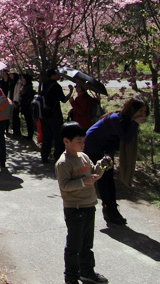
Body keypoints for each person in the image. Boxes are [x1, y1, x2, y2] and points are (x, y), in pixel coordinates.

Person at [55, 122, 111, 284]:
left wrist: (102, 166)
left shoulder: (84, 157)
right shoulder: (63, 163)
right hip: (75, 209)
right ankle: (71, 277)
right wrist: (83, 181)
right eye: (79, 141)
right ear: (66, 141)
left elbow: (94, 174)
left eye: (83, 141)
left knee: (87, 244)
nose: (83, 144)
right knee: (74, 246)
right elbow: (65, 186)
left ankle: (87, 272)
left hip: (89, 206)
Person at [84, 96, 148, 225]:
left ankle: (112, 210)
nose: (143, 114)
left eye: (145, 112)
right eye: (140, 111)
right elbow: (125, 138)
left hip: (106, 149)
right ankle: (109, 211)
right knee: (103, 179)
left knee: (109, 179)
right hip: (94, 148)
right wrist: (135, 123)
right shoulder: (115, 118)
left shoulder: (128, 120)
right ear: (131, 109)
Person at [42, 68, 74, 164]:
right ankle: (57, 156)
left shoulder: (44, 84)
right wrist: (71, 91)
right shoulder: (56, 86)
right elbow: (63, 100)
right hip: (54, 114)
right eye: (57, 74)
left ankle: (44, 156)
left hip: (44, 114)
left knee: (46, 136)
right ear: (52, 75)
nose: (59, 76)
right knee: (57, 136)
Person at [19, 74, 36, 140]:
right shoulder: (24, 86)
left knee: (29, 120)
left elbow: (28, 95)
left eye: (23, 78)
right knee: (27, 120)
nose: (22, 79)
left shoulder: (28, 87)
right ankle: (29, 134)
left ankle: (30, 135)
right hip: (24, 104)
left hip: (27, 106)